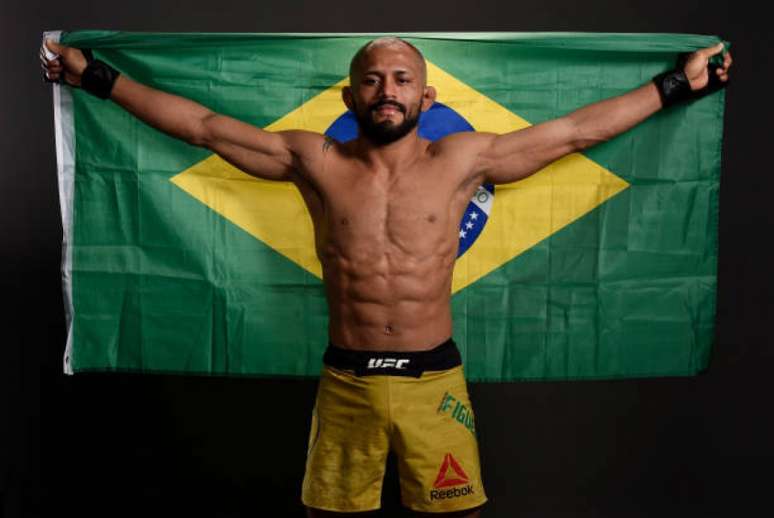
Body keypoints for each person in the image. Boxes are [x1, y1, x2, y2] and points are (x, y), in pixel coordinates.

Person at [41, 35, 732, 517]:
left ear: (427, 96)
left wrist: (677, 84)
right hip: (347, 381)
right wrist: (96, 76)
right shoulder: (313, 160)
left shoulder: (462, 160)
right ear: (350, 95)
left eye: (402, 79)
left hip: (435, 381)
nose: (387, 90)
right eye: (372, 79)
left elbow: (576, 131)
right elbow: (201, 125)